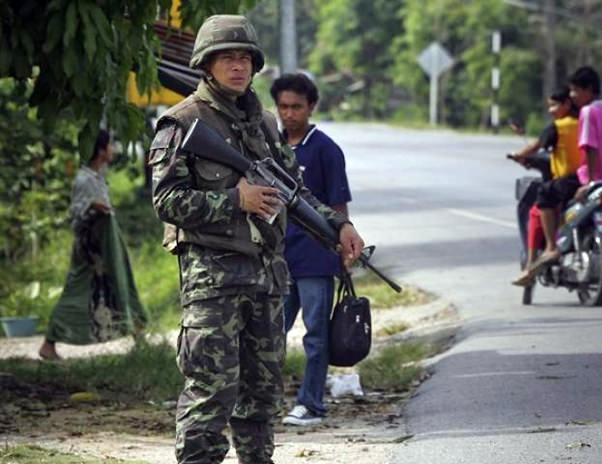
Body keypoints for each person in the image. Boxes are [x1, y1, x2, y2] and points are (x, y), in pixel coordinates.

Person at [148, 15, 364, 464]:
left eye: (245, 57)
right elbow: (166, 200)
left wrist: (338, 226)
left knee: (261, 399)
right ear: (206, 64)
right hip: (213, 283)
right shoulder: (181, 122)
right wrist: (235, 200)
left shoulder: (265, 125)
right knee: (210, 396)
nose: (239, 65)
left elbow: (296, 192)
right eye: (228, 56)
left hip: (267, 278)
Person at [269, 73, 352, 426]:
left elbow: (337, 208)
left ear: (311, 107)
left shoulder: (326, 149)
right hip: (276, 257)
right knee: (270, 332)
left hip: (317, 258)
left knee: (315, 334)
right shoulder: (270, 145)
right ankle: (263, 403)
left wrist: (344, 251)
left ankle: (312, 404)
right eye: (283, 107)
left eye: (296, 107)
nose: (289, 114)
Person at [39, 130, 148, 360]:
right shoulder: (84, 179)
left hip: (104, 248)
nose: (114, 150)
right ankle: (49, 343)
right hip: (90, 251)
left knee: (121, 283)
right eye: (110, 145)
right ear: (100, 150)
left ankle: (139, 337)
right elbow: (77, 216)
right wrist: (93, 208)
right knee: (77, 292)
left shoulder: (98, 177)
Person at [532, 66, 602, 303]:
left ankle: (552, 248)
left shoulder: (588, 112)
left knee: (546, 194)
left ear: (588, 91)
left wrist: (591, 181)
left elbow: (589, 146)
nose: (572, 96)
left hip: (593, 180)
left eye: (575, 91)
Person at [511, 86, 582, 286]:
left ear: (567, 104)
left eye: (554, 105)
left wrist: (519, 155)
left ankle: (540, 258)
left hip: (567, 181)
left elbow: (536, 146)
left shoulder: (558, 127)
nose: (551, 109)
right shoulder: (585, 123)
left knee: (538, 206)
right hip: (589, 180)